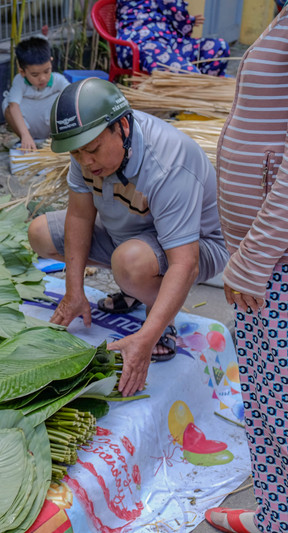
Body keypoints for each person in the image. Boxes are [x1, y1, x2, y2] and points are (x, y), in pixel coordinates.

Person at [27, 78, 228, 397]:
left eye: (92, 151)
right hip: (130, 236)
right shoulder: (85, 151)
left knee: (130, 262)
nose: (86, 162)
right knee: (40, 233)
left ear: (121, 126)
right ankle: (134, 289)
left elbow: (184, 264)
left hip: (197, 247)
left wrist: (146, 338)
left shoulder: (167, 163)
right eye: (77, 154)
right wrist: (74, 289)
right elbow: (79, 216)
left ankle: (161, 318)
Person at [205, 3, 288, 532]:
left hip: (273, 262)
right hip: (267, 257)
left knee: (274, 405)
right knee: (268, 401)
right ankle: (278, 512)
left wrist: (252, 260)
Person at [116, 0, 229, 76]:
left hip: (170, 41)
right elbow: (177, 12)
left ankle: (204, 98)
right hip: (141, 45)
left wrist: (188, 21)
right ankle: (192, 102)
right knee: (190, 74)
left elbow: (170, 13)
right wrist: (187, 23)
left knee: (218, 47)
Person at [1, 36, 69, 152]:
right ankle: (28, 140)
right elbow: (13, 106)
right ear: (22, 72)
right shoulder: (19, 81)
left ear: (51, 61)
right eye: (35, 75)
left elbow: (75, 99)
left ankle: (56, 139)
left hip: (51, 128)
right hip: (27, 129)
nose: (42, 78)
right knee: (8, 105)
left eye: (47, 71)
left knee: (67, 99)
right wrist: (25, 135)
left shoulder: (59, 80)